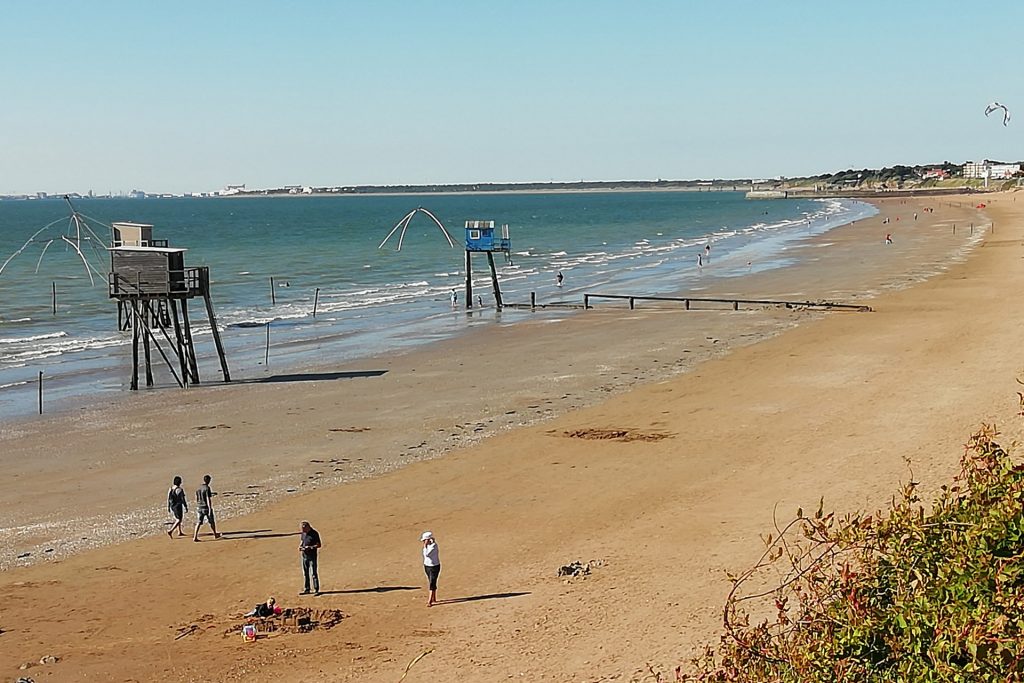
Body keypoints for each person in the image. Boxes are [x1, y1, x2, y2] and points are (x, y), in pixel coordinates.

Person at [193, 474, 221, 542]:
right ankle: (215, 534)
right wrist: (210, 508)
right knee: (211, 521)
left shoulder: (198, 488)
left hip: (199, 507)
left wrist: (198, 504)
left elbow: (196, 497)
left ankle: (195, 536)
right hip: (206, 507)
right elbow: (208, 499)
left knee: (199, 522)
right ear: (208, 480)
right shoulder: (207, 488)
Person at [299, 520, 322, 596]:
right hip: (304, 556)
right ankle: (307, 589)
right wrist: (301, 547)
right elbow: (302, 541)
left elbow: (319, 545)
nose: (303, 531)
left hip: (312, 556)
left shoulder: (314, 534)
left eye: (304, 529)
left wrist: (310, 547)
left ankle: (316, 589)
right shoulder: (303, 534)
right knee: (305, 573)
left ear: (308, 527)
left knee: (314, 573)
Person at [421, 530, 441, 607]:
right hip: (427, 565)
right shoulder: (429, 546)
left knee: (432, 582)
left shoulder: (434, 546)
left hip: (434, 566)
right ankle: (434, 598)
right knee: (431, 581)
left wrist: (425, 546)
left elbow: (427, 554)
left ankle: (430, 601)